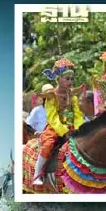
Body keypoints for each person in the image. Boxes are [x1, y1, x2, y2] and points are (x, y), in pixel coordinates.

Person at [32, 57, 85, 185]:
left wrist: (79, 128)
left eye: (72, 79)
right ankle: (37, 175)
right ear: (58, 79)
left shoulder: (73, 97)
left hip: (72, 127)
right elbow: (53, 117)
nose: (70, 81)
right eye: (67, 78)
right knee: (48, 144)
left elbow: (77, 114)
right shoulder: (51, 97)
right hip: (55, 127)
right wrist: (63, 131)